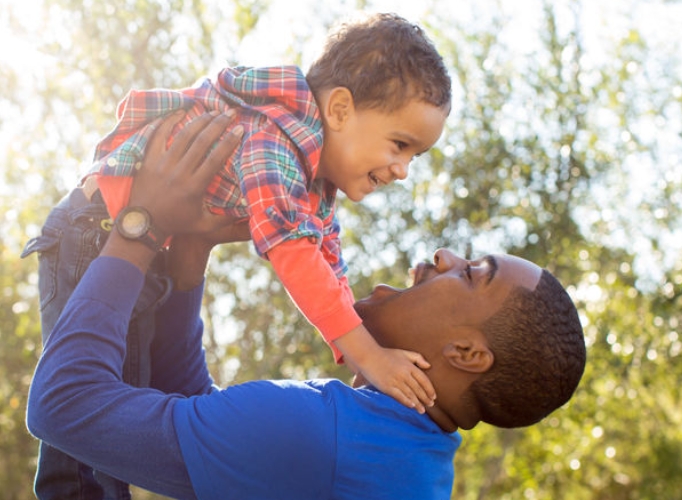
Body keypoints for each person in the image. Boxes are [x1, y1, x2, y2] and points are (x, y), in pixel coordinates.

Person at [27, 106, 586, 499]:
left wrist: (140, 226)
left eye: (471, 275)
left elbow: (63, 407)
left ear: (466, 352)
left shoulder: (328, 440)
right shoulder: (390, 453)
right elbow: (199, 413)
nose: (444, 256)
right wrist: (191, 244)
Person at [21, 12, 451, 497]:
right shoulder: (276, 141)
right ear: (340, 110)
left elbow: (328, 261)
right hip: (94, 229)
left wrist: (355, 344)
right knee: (88, 428)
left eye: (416, 156)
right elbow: (293, 254)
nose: (403, 170)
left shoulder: (315, 183)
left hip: (146, 245)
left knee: (121, 399)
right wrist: (367, 354)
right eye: (400, 145)